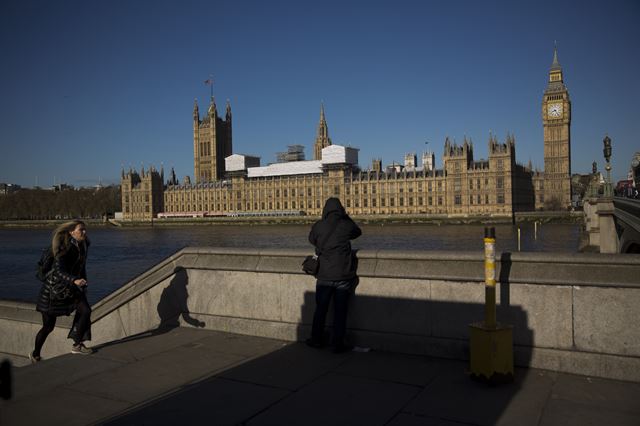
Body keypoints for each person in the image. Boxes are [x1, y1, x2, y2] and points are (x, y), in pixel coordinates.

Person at [30, 220, 93, 362]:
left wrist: (82, 283)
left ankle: (77, 345)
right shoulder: (64, 247)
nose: (84, 232)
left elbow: (81, 267)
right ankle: (35, 354)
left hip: (71, 289)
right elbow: (58, 271)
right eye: (81, 230)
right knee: (48, 327)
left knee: (86, 311)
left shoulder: (83, 245)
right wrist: (74, 280)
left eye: (85, 229)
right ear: (71, 232)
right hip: (53, 292)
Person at [306, 197, 362, 353]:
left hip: (324, 276)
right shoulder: (345, 225)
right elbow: (357, 232)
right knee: (340, 312)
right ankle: (338, 344)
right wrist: (345, 216)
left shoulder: (319, 226)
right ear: (341, 210)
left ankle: (316, 340)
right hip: (343, 276)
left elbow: (311, 239)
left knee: (321, 310)